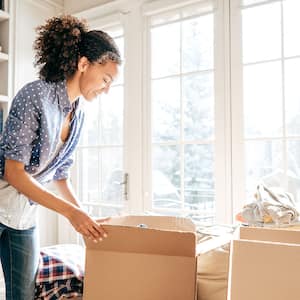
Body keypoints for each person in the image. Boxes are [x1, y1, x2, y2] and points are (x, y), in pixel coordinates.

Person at [0, 15, 121, 299]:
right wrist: (71, 214)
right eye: (105, 79)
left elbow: (60, 176)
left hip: (23, 218)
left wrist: (85, 218)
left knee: (24, 295)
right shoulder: (35, 96)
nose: (107, 88)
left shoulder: (78, 115)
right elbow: (14, 172)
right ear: (83, 64)